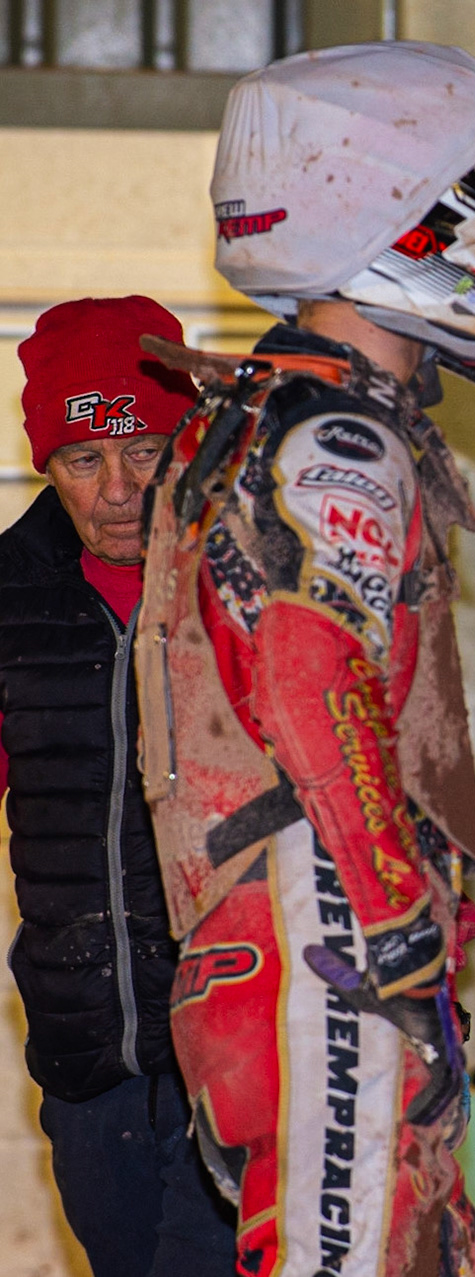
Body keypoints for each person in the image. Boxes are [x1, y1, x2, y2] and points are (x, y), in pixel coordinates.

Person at [134, 42, 475, 1277]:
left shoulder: (264, 411)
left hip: (284, 935)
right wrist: (394, 908)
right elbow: (303, 667)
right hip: (322, 932)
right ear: (399, 219)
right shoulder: (336, 429)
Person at [0, 296, 235, 1277]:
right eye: (84, 460)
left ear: (184, 437)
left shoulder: (241, 578)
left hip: (232, 1046)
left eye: (144, 449)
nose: (119, 488)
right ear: (45, 464)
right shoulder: (9, 594)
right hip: (84, 1044)